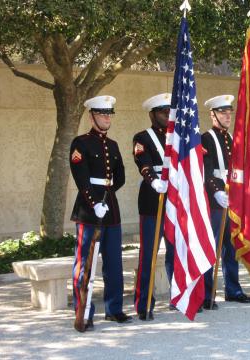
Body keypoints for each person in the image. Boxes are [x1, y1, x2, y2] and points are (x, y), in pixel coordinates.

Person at [70, 95, 132, 332]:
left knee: (114, 263)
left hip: (110, 210)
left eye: (109, 114)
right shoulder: (81, 143)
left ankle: (114, 309)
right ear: (91, 116)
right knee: (85, 263)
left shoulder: (113, 145)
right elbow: (81, 177)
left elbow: (120, 176)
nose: (107, 117)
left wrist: (107, 195)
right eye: (102, 114)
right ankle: (83, 312)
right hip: (89, 211)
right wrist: (95, 201)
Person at [201, 95, 250, 309]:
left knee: (231, 247)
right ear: (212, 115)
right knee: (211, 248)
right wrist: (215, 192)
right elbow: (206, 168)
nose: (227, 116)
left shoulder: (233, 139)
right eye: (223, 112)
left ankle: (233, 290)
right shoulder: (206, 138)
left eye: (229, 112)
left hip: (232, 200)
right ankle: (207, 293)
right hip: (216, 200)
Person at [132, 93, 174, 320]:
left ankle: (178, 296)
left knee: (176, 252)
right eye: (162, 112)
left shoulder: (176, 136)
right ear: (152, 114)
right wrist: (153, 179)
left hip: (175, 198)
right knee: (149, 253)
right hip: (152, 198)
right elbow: (143, 163)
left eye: (169, 112)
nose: (167, 116)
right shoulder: (142, 137)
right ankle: (144, 302)